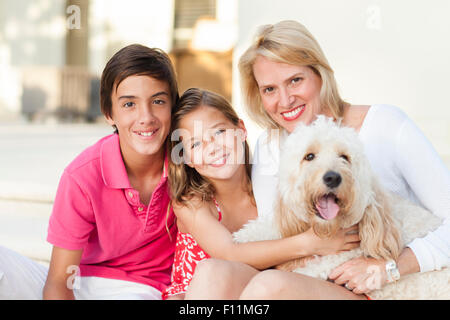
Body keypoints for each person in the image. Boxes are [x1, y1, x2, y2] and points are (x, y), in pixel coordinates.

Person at [231, 20, 450, 299]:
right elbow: (273, 235)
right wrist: (311, 245)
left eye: (295, 80)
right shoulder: (270, 145)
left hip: (386, 286)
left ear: (320, 75)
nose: (284, 101)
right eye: (269, 89)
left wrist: (389, 267)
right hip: (313, 280)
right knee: (216, 272)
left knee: (270, 287)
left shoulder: (385, 125)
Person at [0, 44, 179, 299]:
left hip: (142, 289)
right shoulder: (83, 176)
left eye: (158, 101)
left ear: (173, 107)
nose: (146, 117)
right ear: (109, 113)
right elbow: (59, 281)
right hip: (79, 283)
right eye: (129, 104)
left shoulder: (187, 164)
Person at [161, 88, 360, 300]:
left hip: (263, 291)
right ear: (188, 159)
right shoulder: (190, 203)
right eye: (195, 144)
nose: (212, 148)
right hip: (203, 293)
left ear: (241, 129)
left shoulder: (268, 187)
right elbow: (230, 254)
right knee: (211, 270)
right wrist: (310, 243)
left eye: (219, 132)